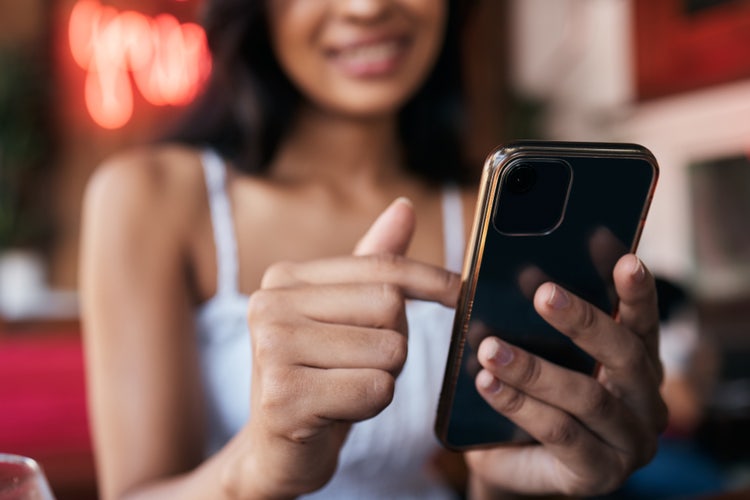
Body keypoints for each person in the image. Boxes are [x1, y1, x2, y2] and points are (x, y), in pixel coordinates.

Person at [79, 1, 667, 499]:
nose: (368, 7)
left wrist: (526, 478)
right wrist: (256, 465)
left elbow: (485, 469)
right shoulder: (151, 197)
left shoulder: (485, 213)